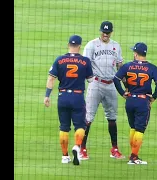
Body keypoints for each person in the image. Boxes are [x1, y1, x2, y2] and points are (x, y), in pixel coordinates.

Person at [43, 35, 94, 165]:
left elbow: (51, 78)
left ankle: (65, 156)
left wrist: (47, 96)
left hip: (63, 97)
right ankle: (77, 146)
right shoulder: (85, 61)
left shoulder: (59, 60)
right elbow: (90, 79)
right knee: (80, 125)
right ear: (79, 46)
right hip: (77, 97)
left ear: (68, 45)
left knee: (64, 127)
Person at [81, 20, 125, 160]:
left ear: (111, 32)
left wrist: (126, 84)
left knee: (112, 117)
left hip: (111, 84)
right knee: (88, 117)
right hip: (96, 83)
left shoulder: (116, 45)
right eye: (103, 32)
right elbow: (84, 64)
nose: (105, 34)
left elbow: (120, 66)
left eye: (107, 32)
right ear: (100, 31)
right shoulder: (91, 45)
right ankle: (82, 148)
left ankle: (115, 149)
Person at [113, 42, 157, 165]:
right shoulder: (152, 68)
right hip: (143, 102)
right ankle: (134, 157)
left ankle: (133, 155)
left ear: (135, 54)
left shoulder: (127, 66)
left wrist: (122, 93)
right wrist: (154, 97)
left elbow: (115, 78)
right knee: (140, 129)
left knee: (133, 128)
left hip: (130, 101)